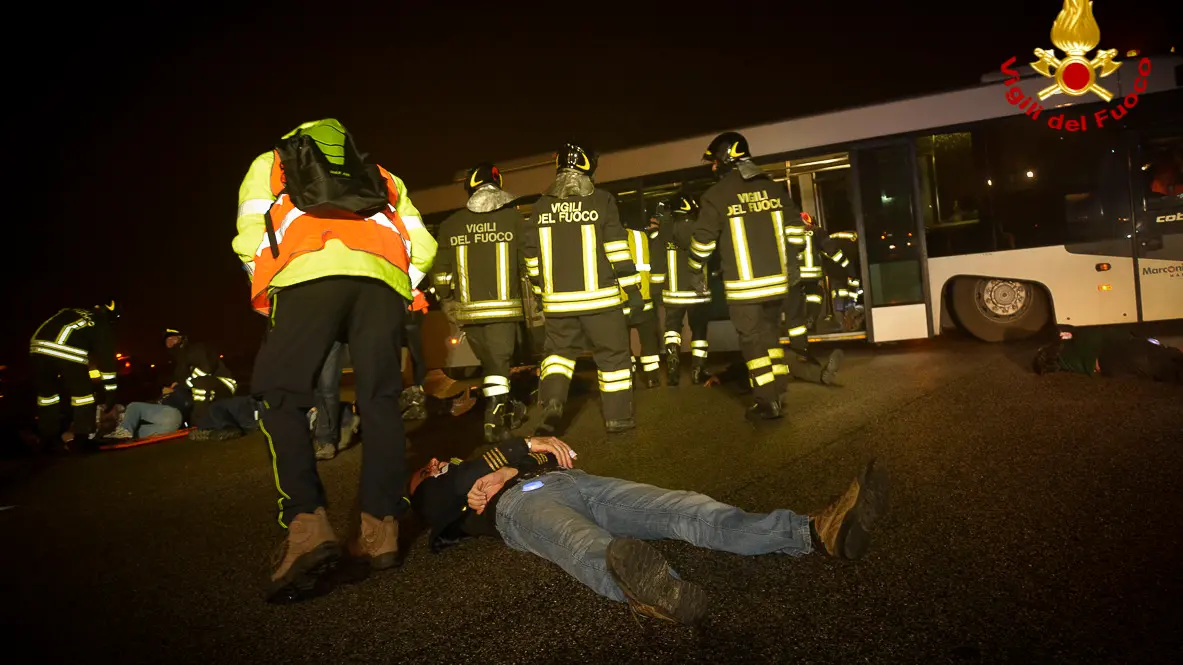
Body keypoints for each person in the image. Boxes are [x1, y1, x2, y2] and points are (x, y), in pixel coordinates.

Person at [233, 118, 438, 602]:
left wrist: (268, 287)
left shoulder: (274, 161)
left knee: (280, 395)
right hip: (382, 283)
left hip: (306, 275)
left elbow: (249, 235)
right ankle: (380, 533)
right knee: (381, 400)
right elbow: (423, 244)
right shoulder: (382, 175)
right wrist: (403, 284)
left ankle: (307, 526)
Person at [409, 436, 890, 626]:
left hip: (574, 482)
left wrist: (515, 463)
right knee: (587, 547)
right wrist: (517, 453)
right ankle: (656, 590)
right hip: (521, 508)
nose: (433, 463)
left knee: (683, 508)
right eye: (424, 469)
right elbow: (449, 485)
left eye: (432, 462)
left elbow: (554, 455)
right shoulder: (434, 500)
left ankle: (810, 531)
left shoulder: (484, 464)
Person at [521, 142, 644, 435]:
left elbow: (530, 256)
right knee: (613, 357)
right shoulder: (601, 201)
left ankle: (552, 405)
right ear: (589, 166)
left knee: (558, 356)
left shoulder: (540, 206)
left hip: (559, 305)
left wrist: (541, 291)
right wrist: (633, 290)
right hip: (601, 302)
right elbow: (617, 249)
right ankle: (617, 418)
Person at [682, 132, 797, 420]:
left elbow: (703, 242)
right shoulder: (773, 188)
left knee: (753, 343)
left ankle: (767, 401)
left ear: (724, 158)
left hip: (745, 289)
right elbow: (796, 231)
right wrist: (789, 264)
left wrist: (695, 268)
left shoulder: (716, 196)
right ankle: (779, 388)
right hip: (777, 283)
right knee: (771, 338)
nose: (712, 168)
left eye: (713, 161)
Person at [431, 163, 529, 442]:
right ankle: (494, 418)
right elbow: (528, 261)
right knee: (499, 365)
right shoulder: (512, 220)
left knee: (491, 365)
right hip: (503, 310)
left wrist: (445, 299)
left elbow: (441, 270)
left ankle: (504, 407)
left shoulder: (451, 224)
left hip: (467, 313)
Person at [29, 301, 121, 448]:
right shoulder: (100, 322)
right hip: (66, 350)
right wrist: (111, 392)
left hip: (37, 348)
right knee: (83, 396)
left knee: (47, 397)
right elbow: (107, 360)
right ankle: (82, 438)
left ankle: (48, 439)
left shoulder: (71, 312)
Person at [651, 194, 714, 386]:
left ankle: (672, 369)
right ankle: (698, 370)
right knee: (700, 331)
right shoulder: (700, 229)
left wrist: (656, 289)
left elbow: (657, 261)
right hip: (698, 293)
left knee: (672, 329)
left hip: (673, 293)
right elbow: (710, 254)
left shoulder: (665, 231)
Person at [1033, 326, 1182, 383]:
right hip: (1122, 352)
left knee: (1162, 367)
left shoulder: (1064, 362)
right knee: (1165, 356)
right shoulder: (1079, 338)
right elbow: (1106, 334)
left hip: (1111, 365)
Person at [621, 209, 664, 389]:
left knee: (622, 343)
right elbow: (655, 265)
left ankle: (628, 377)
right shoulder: (644, 238)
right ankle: (652, 377)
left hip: (619, 301)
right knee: (649, 341)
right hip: (644, 297)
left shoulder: (610, 239)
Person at [163, 328, 237, 426]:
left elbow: (205, 370)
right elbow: (181, 379)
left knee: (199, 384)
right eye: (167, 341)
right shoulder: (179, 360)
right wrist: (173, 389)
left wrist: (182, 385)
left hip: (224, 383)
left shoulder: (196, 348)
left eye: (173, 338)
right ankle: (182, 424)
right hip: (198, 385)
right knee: (171, 397)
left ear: (182, 338)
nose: (170, 342)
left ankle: (201, 424)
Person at [400, 288, 430, 421]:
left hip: (409, 315)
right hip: (411, 314)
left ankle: (416, 391)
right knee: (416, 355)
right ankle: (417, 390)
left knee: (415, 355)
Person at [104, 402, 184, 440]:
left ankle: (124, 431)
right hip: (170, 428)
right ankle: (123, 433)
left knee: (133, 406)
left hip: (171, 416)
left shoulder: (127, 413)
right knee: (134, 434)